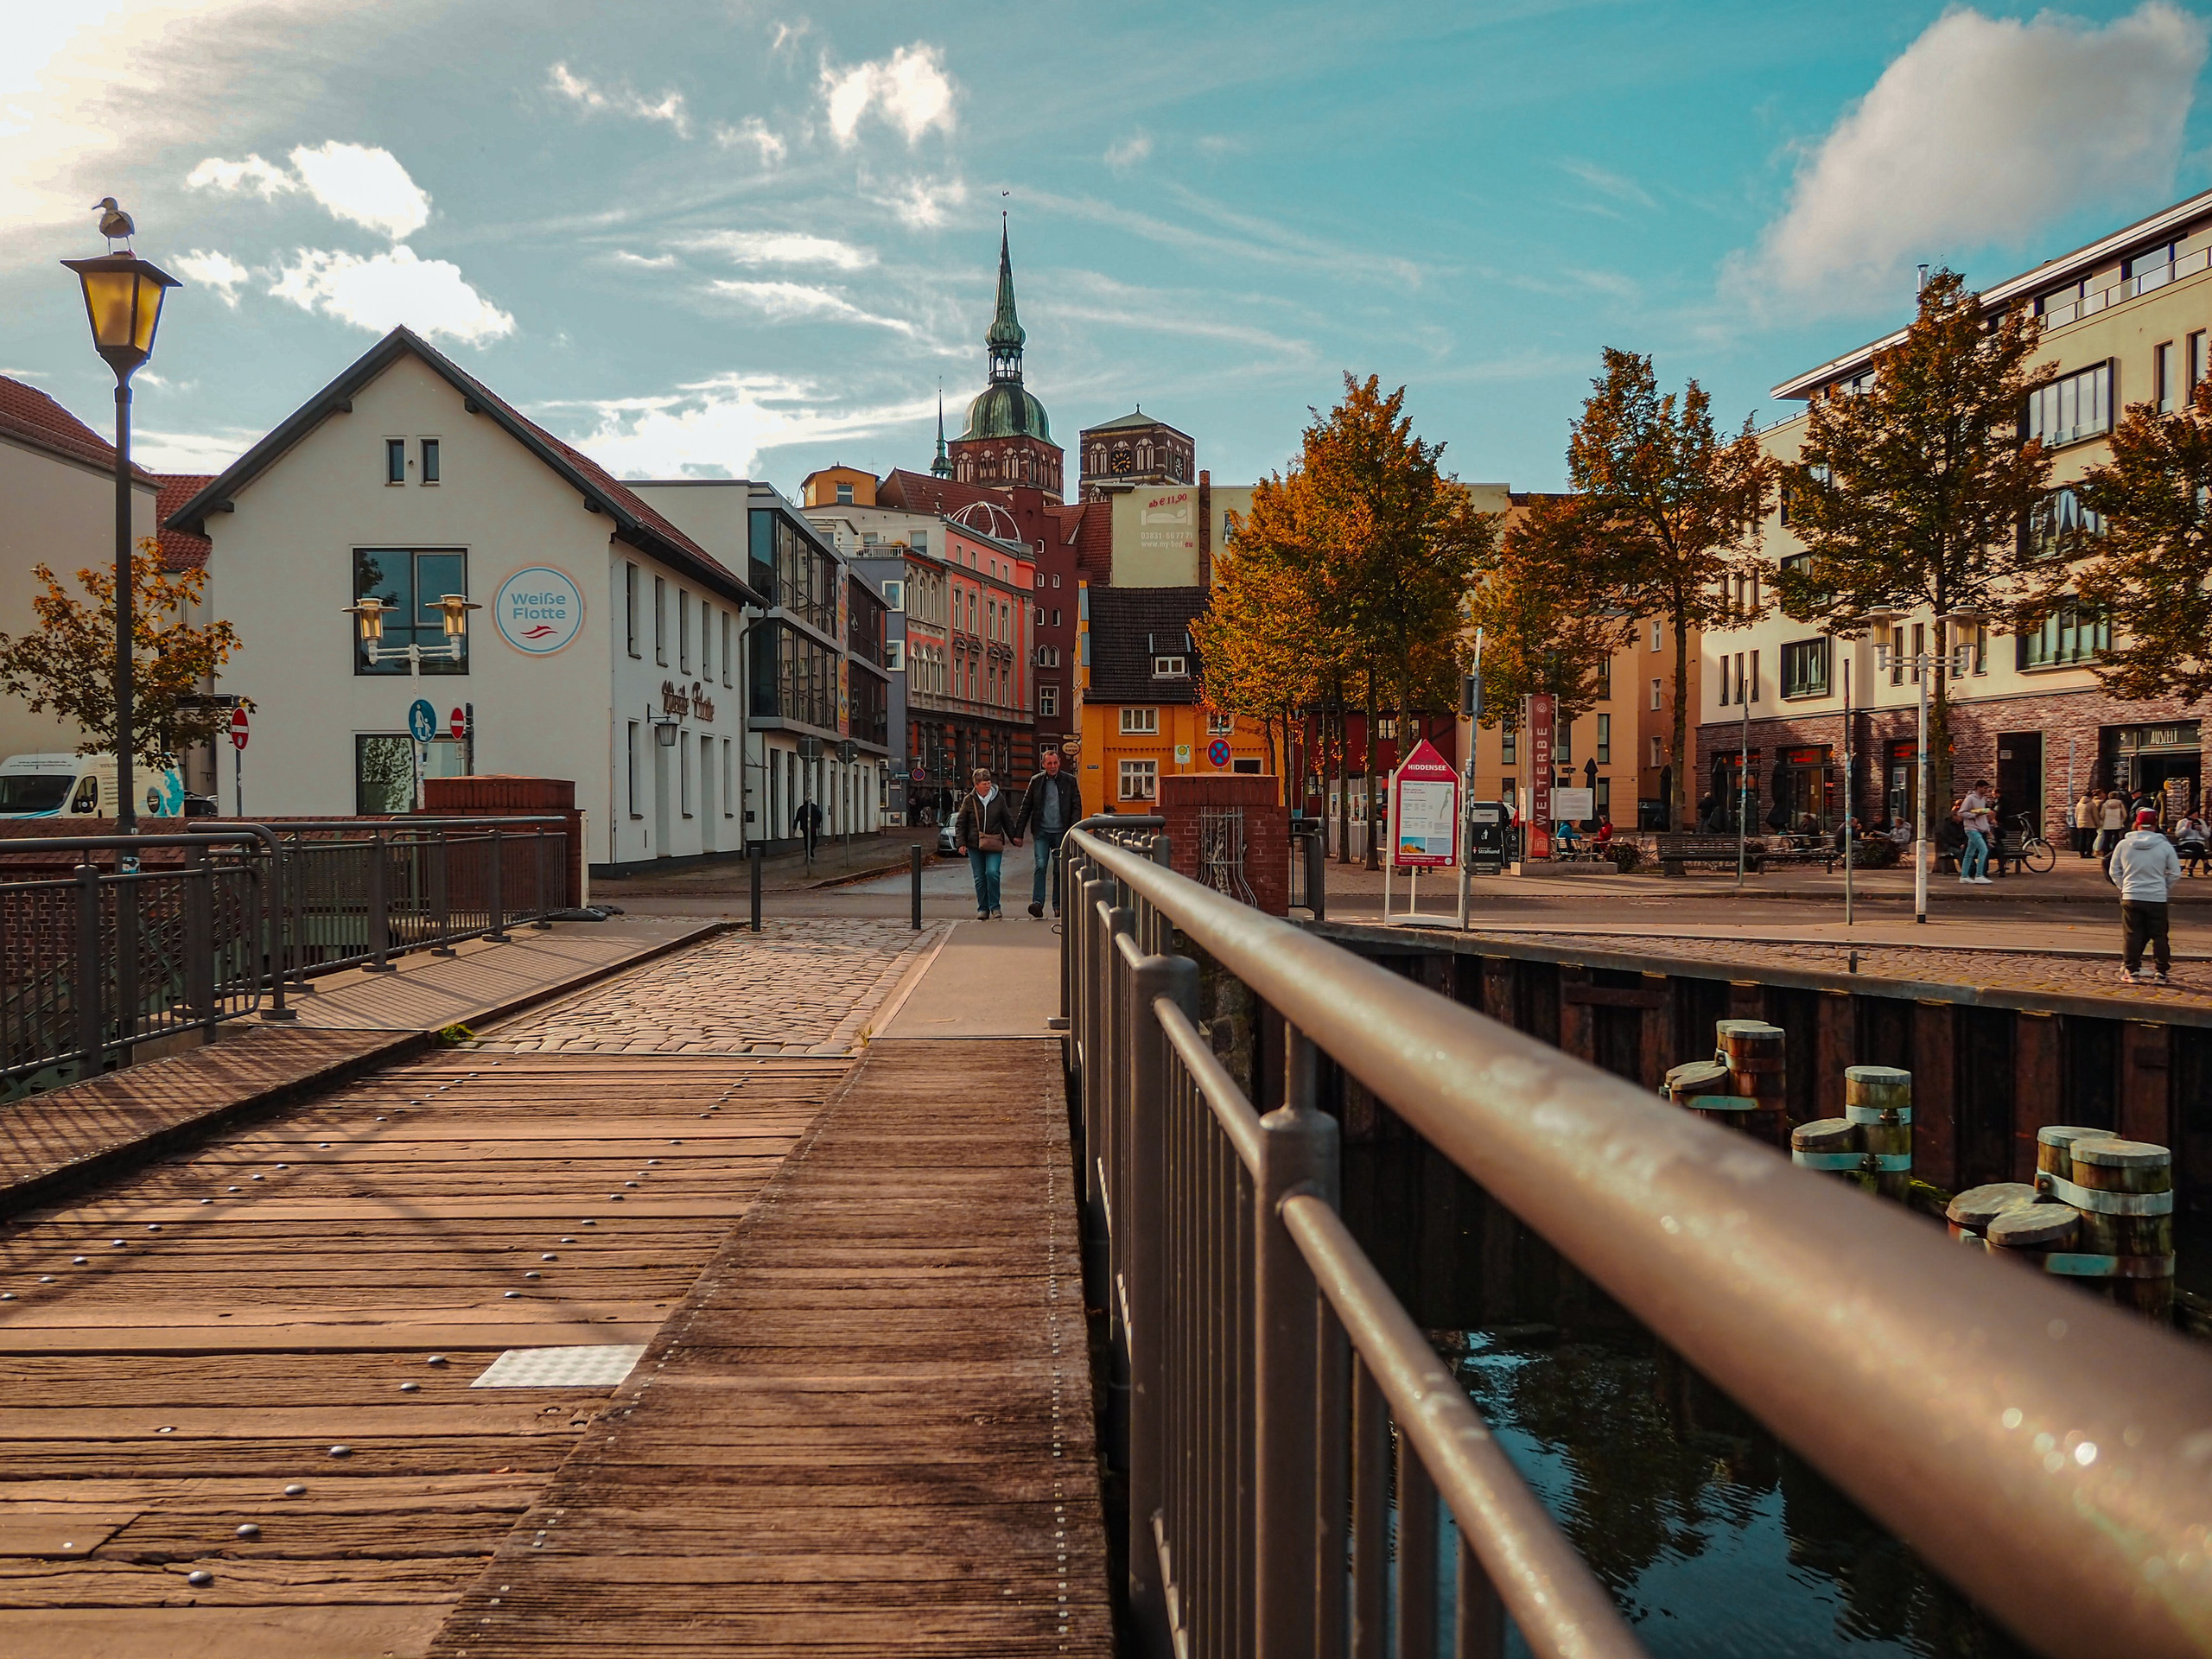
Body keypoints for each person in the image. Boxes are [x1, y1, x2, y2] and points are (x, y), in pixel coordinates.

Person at [2110, 805, 2182, 983]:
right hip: (2156, 896)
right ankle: (2161, 973)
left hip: (2131, 895)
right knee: (2159, 935)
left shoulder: (2124, 844)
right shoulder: (2164, 846)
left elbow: (2114, 871)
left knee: (2132, 934)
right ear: (2155, 824)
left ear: (2137, 823)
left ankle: (2132, 971)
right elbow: (2175, 872)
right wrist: (2163, 887)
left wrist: (2123, 886)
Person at [1015, 748, 1083, 919]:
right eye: (1049, 763)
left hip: (1062, 832)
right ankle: (1037, 903)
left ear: (1059, 763)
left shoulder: (1069, 781)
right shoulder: (1036, 782)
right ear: (1043, 765)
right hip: (1042, 831)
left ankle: (1058, 905)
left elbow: (1076, 806)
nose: (1053, 766)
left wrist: (1073, 830)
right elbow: (1026, 807)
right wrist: (1018, 833)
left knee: (1059, 870)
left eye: (1055, 763)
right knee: (1040, 866)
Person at [955, 766, 1020, 920]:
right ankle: (983, 908)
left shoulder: (998, 798)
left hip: (994, 841)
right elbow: (961, 822)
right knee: (979, 877)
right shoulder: (969, 800)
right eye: (984, 783)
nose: (987, 785)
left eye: (989, 782)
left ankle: (995, 906)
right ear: (976, 785)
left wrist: (1015, 837)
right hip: (974, 844)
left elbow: (1007, 820)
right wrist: (960, 843)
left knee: (992, 873)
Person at [1955, 780, 1993, 885]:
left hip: (1979, 828)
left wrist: (1987, 828)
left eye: (1987, 788)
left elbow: (1983, 816)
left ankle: (1964, 875)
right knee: (1983, 850)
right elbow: (1961, 813)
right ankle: (1979, 875)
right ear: (1978, 787)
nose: (1986, 790)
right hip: (1971, 828)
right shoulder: (1970, 799)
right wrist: (1974, 815)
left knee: (1969, 853)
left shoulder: (1983, 799)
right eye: (1984, 788)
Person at [2096, 790, 2129, 859]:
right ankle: (2115, 851)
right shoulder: (2120, 803)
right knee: (2116, 838)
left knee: (2107, 838)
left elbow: (2102, 815)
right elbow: (2124, 814)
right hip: (2117, 824)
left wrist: (2103, 820)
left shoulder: (2105, 804)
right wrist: (2122, 820)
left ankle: (2105, 852)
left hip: (2107, 824)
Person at [2177, 810, 2211, 876]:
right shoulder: (2182, 822)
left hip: (2199, 842)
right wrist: (2186, 828)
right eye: (2194, 814)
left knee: (2198, 848)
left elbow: (2207, 835)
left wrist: (2201, 830)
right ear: (2190, 814)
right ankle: (2204, 864)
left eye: (2197, 814)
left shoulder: (2201, 822)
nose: (2196, 816)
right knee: (2198, 847)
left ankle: (2191, 867)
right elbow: (2178, 835)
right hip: (2186, 842)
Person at [792, 795, 823, 860]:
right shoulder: (815, 807)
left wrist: (794, 827)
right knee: (814, 839)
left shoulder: (801, 808)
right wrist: (818, 823)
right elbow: (820, 815)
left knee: (806, 840)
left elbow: (797, 818)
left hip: (804, 827)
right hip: (813, 827)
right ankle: (811, 849)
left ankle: (808, 853)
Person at [2074, 790, 2099, 859]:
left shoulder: (2079, 804)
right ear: (2091, 796)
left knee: (2082, 839)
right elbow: (2095, 815)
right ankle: (2088, 853)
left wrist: (2077, 823)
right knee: (2090, 839)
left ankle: (2081, 853)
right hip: (2090, 824)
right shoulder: (2091, 804)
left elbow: (2076, 814)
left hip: (2081, 824)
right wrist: (2097, 824)